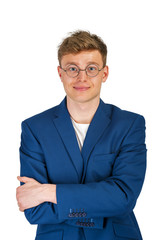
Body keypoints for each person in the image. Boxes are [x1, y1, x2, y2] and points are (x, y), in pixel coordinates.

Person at [16, 30, 147, 240]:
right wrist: (101, 202)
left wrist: (50, 193)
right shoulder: (35, 128)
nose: (82, 77)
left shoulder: (130, 125)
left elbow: (123, 197)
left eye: (91, 68)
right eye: (72, 69)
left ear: (104, 74)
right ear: (60, 73)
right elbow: (34, 210)